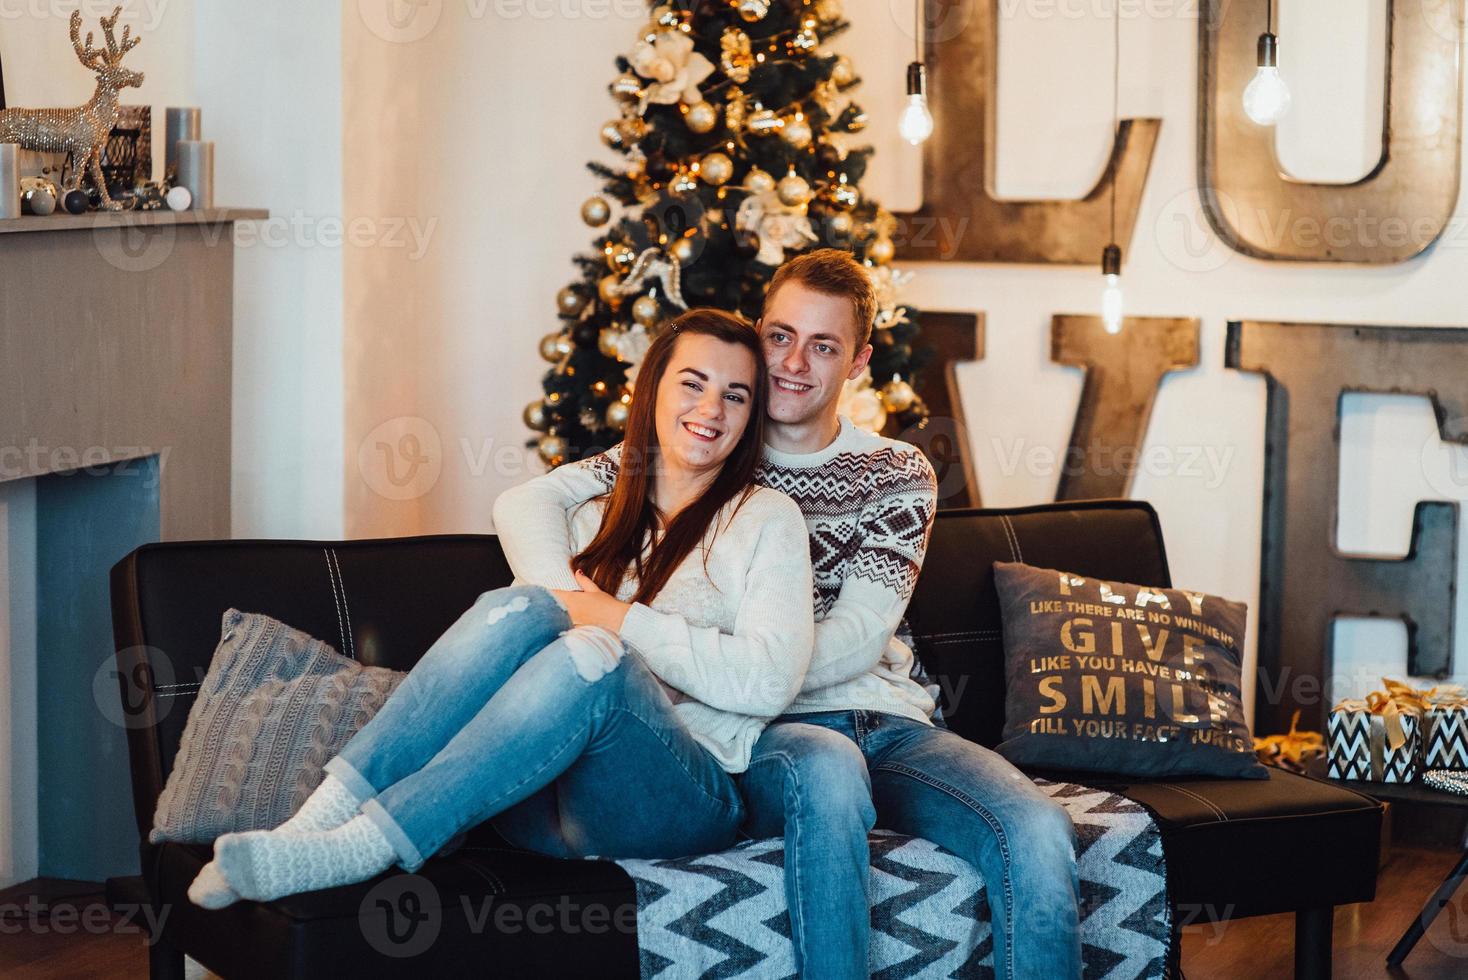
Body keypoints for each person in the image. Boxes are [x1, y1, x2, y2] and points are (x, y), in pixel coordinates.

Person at [494, 249, 1082, 980]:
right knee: (826, 773)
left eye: (824, 345)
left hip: (887, 726)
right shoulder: (709, 442)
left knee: (1035, 828)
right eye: (780, 336)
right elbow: (526, 503)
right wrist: (582, 614)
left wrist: (721, 672)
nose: (794, 363)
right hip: (764, 740)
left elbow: (860, 638)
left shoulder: (895, 473)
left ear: (859, 361)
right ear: (758, 330)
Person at [187, 308, 814, 907]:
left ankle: (362, 845)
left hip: (679, 797)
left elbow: (768, 682)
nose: (711, 408)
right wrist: (574, 612)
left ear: (751, 415)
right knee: (523, 608)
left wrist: (616, 625)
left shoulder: (766, 519)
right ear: (652, 392)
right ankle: (312, 821)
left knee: (599, 662)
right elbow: (523, 518)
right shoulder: (594, 512)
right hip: (542, 804)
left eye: (735, 395)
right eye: (693, 383)